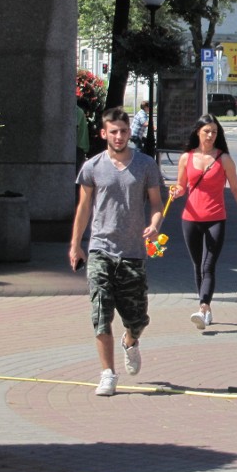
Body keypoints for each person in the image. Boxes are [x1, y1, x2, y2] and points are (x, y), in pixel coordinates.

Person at [69, 107, 164, 397]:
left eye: (123, 131)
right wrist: (76, 245)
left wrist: (154, 224)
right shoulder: (92, 167)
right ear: (103, 134)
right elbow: (84, 208)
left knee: (138, 318)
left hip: (133, 251)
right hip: (100, 248)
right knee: (101, 312)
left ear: (129, 132)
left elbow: (157, 204)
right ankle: (108, 373)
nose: (119, 136)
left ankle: (131, 340)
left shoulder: (146, 165)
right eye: (114, 131)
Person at [170, 114, 237, 330]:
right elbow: (181, 185)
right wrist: (176, 192)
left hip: (216, 218)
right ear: (198, 132)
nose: (210, 135)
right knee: (198, 265)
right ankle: (205, 307)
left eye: (214, 132)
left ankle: (203, 307)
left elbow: (235, 188)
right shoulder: (187, 158)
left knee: (208, 265)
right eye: (206, 131)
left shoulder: (224, 159)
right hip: (190, 218)